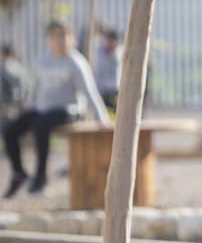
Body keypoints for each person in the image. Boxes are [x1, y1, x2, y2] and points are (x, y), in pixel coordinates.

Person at [3, 21, 110, 197]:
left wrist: (102, 119)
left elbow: (90, 92)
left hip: (69, 110)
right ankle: (18, 173)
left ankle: (41, 176)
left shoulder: (75, 62)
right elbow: (34, 90)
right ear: (48, 39)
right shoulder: (42, 61)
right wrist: (27, 111)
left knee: (40, 124)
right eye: (55, 36)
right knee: (11, 130)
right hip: (43, 109)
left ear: (72, 38)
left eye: (64, 35)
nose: (60, 40)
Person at [94, 28, 122, 112]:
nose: (109, 43)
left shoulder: (119, 52)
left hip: (115, 90)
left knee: (115, 113)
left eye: (112, 41)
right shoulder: (100, 52)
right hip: (101, 90)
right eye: (108, 40)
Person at [0, 44, 28, 126]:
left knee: (8, 131)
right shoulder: (19, 66)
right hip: (17, 104)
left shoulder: (6, 67)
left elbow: (17, 83)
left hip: (10, 105)